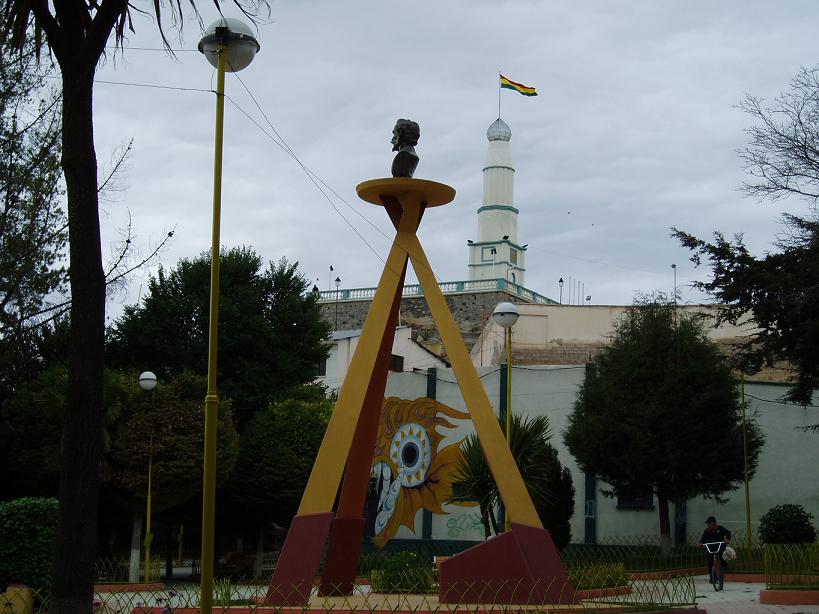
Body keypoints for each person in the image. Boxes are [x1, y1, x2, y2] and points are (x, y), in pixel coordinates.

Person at [700, 516, 732, 589]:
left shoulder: (720, 528)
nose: (708, 525)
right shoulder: (707, 531)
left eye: (710, 524)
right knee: (709, 560)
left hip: (720, 544)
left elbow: (728, 533)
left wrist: (727, 539)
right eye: (708, 524)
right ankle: (712, 578)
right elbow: (703, 540)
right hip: (712, 546)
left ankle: (724, 564)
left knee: (721, 554)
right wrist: (700, 544)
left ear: (714, 523)